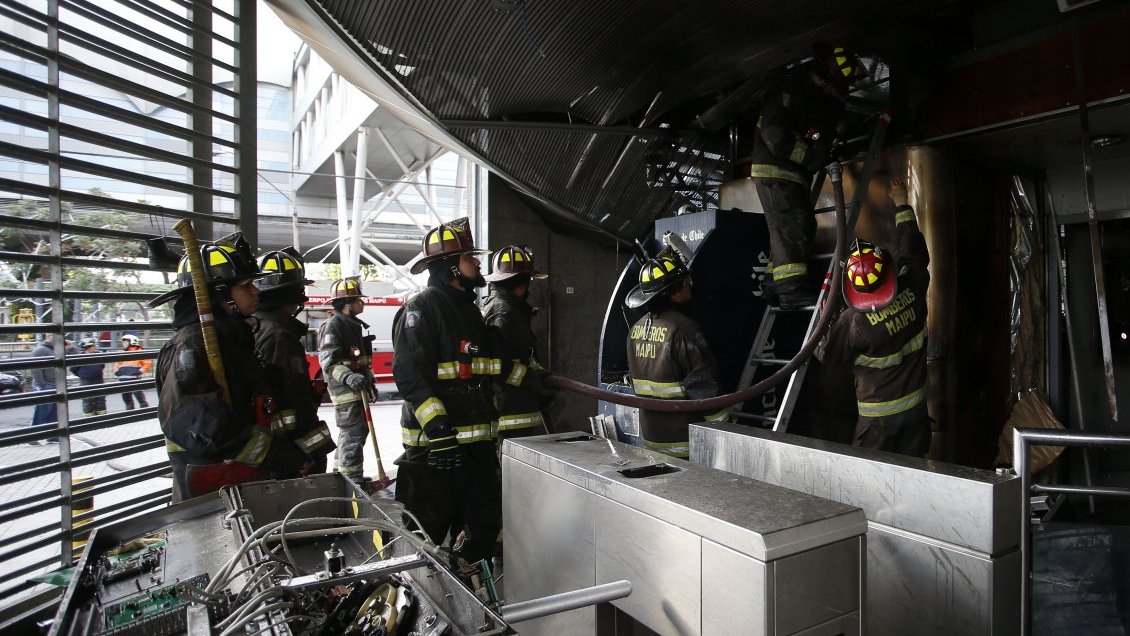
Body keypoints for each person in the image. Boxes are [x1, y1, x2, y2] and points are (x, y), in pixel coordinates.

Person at [392, 217, 531, 570]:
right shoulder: (422, 308)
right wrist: (437, 432)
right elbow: (410, 377)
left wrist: (526, 377)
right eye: (471, 258)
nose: (478, 264)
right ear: (451, 265)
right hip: (436, 451)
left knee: (481, 529)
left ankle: (471, 599)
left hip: (477, 451)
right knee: (424, 536)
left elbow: (488, 363)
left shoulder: (469, 310)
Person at [151, 232, 308, 502]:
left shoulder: (232, 338)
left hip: (239, 483)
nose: (256, 291)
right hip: (210, 491)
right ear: (221, 293)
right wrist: (274, 455)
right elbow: (200, 425)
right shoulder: (193, 344)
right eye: (246, 286)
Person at [821, 177, 931, 457]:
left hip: (876, 424)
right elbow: (914, 253)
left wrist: (823, 322)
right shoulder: (914, 287)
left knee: (870, 487)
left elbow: (829, 356)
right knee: (916, 480)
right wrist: (902, 201)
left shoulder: (854, 322)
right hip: (917, 413)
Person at [749, 44, 859, 309]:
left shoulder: (809, 99)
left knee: (792, 227)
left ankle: (774, 284)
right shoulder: (788, 90)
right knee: (795, 225)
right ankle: (791, 289)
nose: (832, 92)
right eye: (832, 86)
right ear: (822, 76)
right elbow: (776, 137)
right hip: (777, 172)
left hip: (786, 175)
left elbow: (816, 132)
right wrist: (811, 158)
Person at [625, 250, 729, 458]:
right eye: (684, 281)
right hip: (688, 444)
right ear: (674, 294)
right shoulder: (684, 330)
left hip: (653, 441)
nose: (689, 284)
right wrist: (727, 433)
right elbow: (705, 389)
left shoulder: (635, 329)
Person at [254, 248, 336, 474]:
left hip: (267, 451)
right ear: (292, 294)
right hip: (289, 453)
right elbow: (294, 396)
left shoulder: (252, 327)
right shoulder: (281, 336)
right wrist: (308, 453)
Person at [482, 245, 551, 442]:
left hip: (511, 406)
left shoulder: (495, 305)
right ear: (522, 283)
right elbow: (501, 365)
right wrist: (532, 380)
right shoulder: (506, 313)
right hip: (512, 410)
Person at [317, 276, 373, 480]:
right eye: (358, 300)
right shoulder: (334, 325)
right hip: (345, 393)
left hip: (357, 390)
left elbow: (363, 362)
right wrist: (349, 378)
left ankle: (341, 477)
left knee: (356, 432)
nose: (362, 303)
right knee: (354, 433)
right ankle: (352, 480)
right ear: (347, 305)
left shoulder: (353, 325)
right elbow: (328, 362)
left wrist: (370, 385)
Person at [28, 333, 61, 444]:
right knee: (42, 412)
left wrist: (71, 348)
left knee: (54, 413)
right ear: (49, 336)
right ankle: (32, 436)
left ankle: (52, 435)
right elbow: (36, 369)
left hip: (54, 385)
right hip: (46, 386)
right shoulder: (40, 350)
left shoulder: (56, 350)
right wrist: (43, 384)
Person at [114, 334, 151, 410]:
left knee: (139, 397)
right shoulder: (122, 352)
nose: (123, 344)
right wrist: (117, 372)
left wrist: (139, 371)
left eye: (125, 342)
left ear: (132, 342)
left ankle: (145, 412)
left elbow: (147, 363)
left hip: (134, 379)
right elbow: (117, 364)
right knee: (126, 398)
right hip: (123, 380)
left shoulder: (139, 351)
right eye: (123, 342)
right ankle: (130, 414)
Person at [72, 338, 107, 417]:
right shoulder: (80, 357)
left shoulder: (98, 355)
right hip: (86, 381)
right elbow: (73, 369)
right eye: (92, 345)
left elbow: (102, 365)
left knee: (100, 399)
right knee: (87, 399)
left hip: (98, 379)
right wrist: (82, 374)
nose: (94, 347)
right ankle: (89, 417)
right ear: (88, 347)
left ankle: (101, 416)